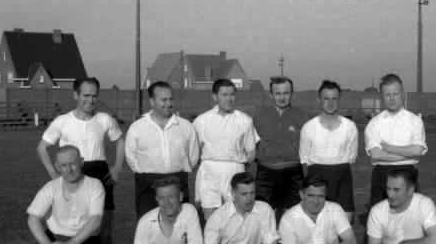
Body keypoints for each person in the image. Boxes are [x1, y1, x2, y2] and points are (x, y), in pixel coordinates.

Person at [37, 77, 126, 244]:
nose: (90, 99)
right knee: (73, 229)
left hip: (100, 174)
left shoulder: (104, 119)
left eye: (94, 95)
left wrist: (116, 167)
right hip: (73, 175)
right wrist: (53, 174)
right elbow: (42, 148)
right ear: (75, 95)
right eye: (85, 95)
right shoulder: (62, 121)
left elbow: (120, 141)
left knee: (103, 231)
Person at [125, 81, 200, 219]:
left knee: (180, 228)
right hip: (147, 184)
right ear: (152, 101)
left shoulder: (185, 126)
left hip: (178, 181)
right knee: (148, 226)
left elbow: (193, 156)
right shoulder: (137, 128)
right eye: (163, 100)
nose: (169, 103)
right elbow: (131, 157)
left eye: (171, 99)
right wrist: (148, 173)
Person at [193, 79, 259, 221]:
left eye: (232, 94)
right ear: (214, 97)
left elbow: (251, 153)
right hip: (209, 171)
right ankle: (212, 243)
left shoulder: (245, 120)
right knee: (210, 216)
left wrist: (239, 166)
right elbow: (194, 153)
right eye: (224, 95)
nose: (229, 99)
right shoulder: (201, 121)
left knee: (236, 215)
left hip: (235, 169)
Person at [364, 73, 427, 211]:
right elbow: (376, 155)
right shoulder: (374, 124)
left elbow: (416, 150)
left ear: (402, 94)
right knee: (379, 220)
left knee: (410, 220)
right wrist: (408, 154)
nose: (392, 98)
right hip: (381, 175)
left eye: (395, 94)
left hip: (407, 173)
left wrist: (390, 148)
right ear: (382, 97)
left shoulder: (415, 121)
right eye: (387, 95)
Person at [299, 80, 358, 224]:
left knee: (344, 220)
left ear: (339, 100)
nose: (330, 103)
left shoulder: (350, 127)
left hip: (342, 175)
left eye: (334, 99)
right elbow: (304, 159)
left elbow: (351, 156)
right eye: (326, 99)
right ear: (319, 100)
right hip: (317, 174)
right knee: (317, 221)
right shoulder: (309, 127)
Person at [252, 76, 310, 222]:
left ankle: (288, 243)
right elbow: (250, 144)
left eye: (286, 93)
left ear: (292, 93)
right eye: (278, 93)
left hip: (293, 172)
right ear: (271, 95)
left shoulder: (303, 117)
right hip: (266, 172)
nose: (282, 97)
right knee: (264, 212)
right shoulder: (259, 117)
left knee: (292, 213)